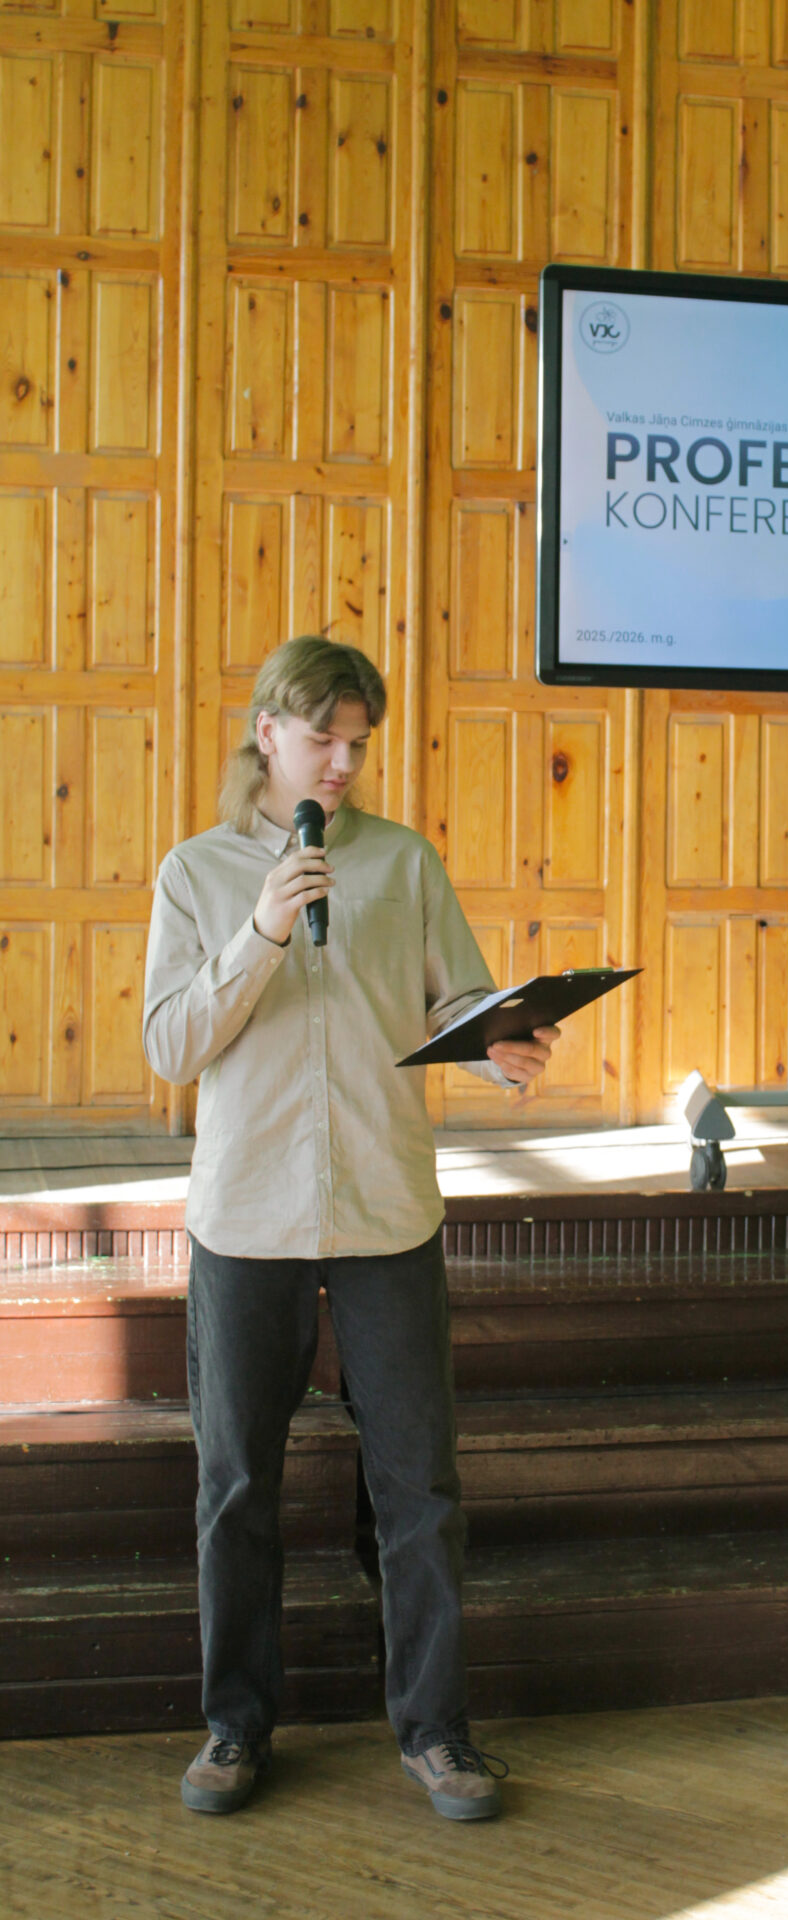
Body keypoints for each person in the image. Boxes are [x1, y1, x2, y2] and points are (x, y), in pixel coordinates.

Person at [142, 636, 558, 1821]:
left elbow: (456, 1000)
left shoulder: (405, 861)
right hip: (247, 1219)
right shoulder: (197, 874)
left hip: (384, 1211)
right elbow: (171, 1046)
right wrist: (264, 929)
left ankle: (436, 1735)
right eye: (322, 737)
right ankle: (235, 1728)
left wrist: (501, 1043)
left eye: (357, 744)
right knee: (236, 1486)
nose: (340, 762)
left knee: (419, 1486)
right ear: (266, 731)